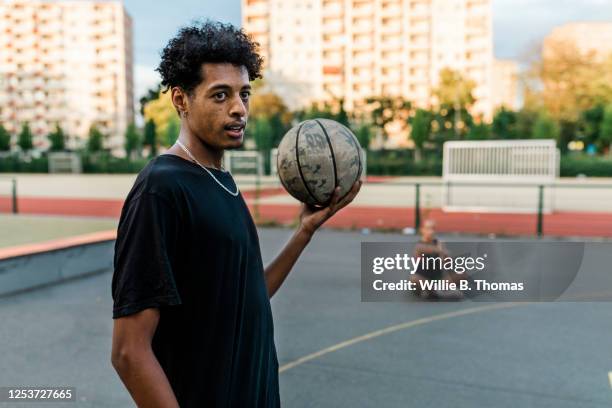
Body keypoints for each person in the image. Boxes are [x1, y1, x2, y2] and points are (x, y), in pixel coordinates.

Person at [110, 21, 361, 408]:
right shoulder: (161, 188)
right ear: (181, 100)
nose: (239, 108)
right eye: (220, 95)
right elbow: (129, 351)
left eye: (244, 93)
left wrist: (303, 232)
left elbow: (250, 294)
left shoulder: (222, 181)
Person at [410, 219, 465, 300]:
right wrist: (440, 250)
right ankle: (438, 292)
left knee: (461, 274)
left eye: (433, 228)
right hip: (423, 279)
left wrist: (446, 258)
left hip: (437, 281)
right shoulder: (419, 245)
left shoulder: (439, 244)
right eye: (428, 228)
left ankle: (435, 292)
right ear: (422, 230)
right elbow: (423, 249)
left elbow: (447, 265)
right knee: (414, 279)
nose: (431, 231)